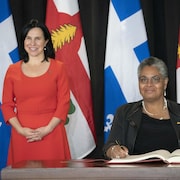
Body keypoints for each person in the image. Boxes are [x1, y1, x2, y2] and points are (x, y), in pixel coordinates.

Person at [1, 19, 71, 165]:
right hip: (22, 135)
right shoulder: (12, 70)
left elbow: (64, 102)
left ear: (46, 42)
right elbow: (7, 105)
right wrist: (20, 130)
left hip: (51, 134)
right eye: (28, 38)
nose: (32, 43)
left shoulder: (59, 68)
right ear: (23, 41)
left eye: (37, 38)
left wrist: (47, 129)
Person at [103, 56, 180, 159]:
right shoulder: (124, 112)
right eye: (143, 79)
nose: (149, 84)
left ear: (165, 83)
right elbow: (109, 146)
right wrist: (113, 150)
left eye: (155, 79)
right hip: (136, 174)